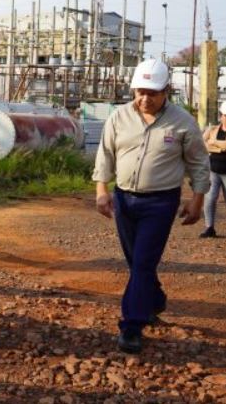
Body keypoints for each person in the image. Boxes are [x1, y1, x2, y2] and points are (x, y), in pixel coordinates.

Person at [92, 58, 210, 354]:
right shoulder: (119, 117)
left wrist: (197, 200)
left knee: (143, 262)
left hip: (160, 202)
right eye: (140, 92)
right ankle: (154, 299)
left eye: (152, 93)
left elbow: (198, 163)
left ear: (166, 90)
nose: (145, 99)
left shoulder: (182, 122)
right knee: (136, 262)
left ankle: (132, 325)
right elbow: (105, 154)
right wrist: (101, 191)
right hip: (123, 199)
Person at [200, 101, 226, 238]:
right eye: (225, 115)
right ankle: (209, 227)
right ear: (221, 116)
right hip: (213, 170)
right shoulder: (213, 130)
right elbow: (202, 144)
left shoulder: (212, 134)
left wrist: (213, 143)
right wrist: (218, 146)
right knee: (209, 199)